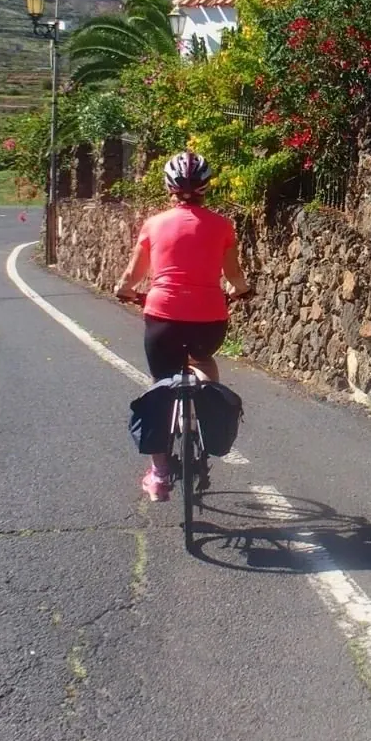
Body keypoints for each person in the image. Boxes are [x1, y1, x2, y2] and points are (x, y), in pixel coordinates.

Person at [114, 151, 252, 502]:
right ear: (207, 187)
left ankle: (159, 475)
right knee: (203, 361)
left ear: (168, 187)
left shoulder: (154, 224)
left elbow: (133, 274)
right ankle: (209, 416)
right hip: (210, 319)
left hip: (163, 319)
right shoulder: (222, 226)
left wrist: (124, 290)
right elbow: (233, 276)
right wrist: (241, 291)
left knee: (162, 385)